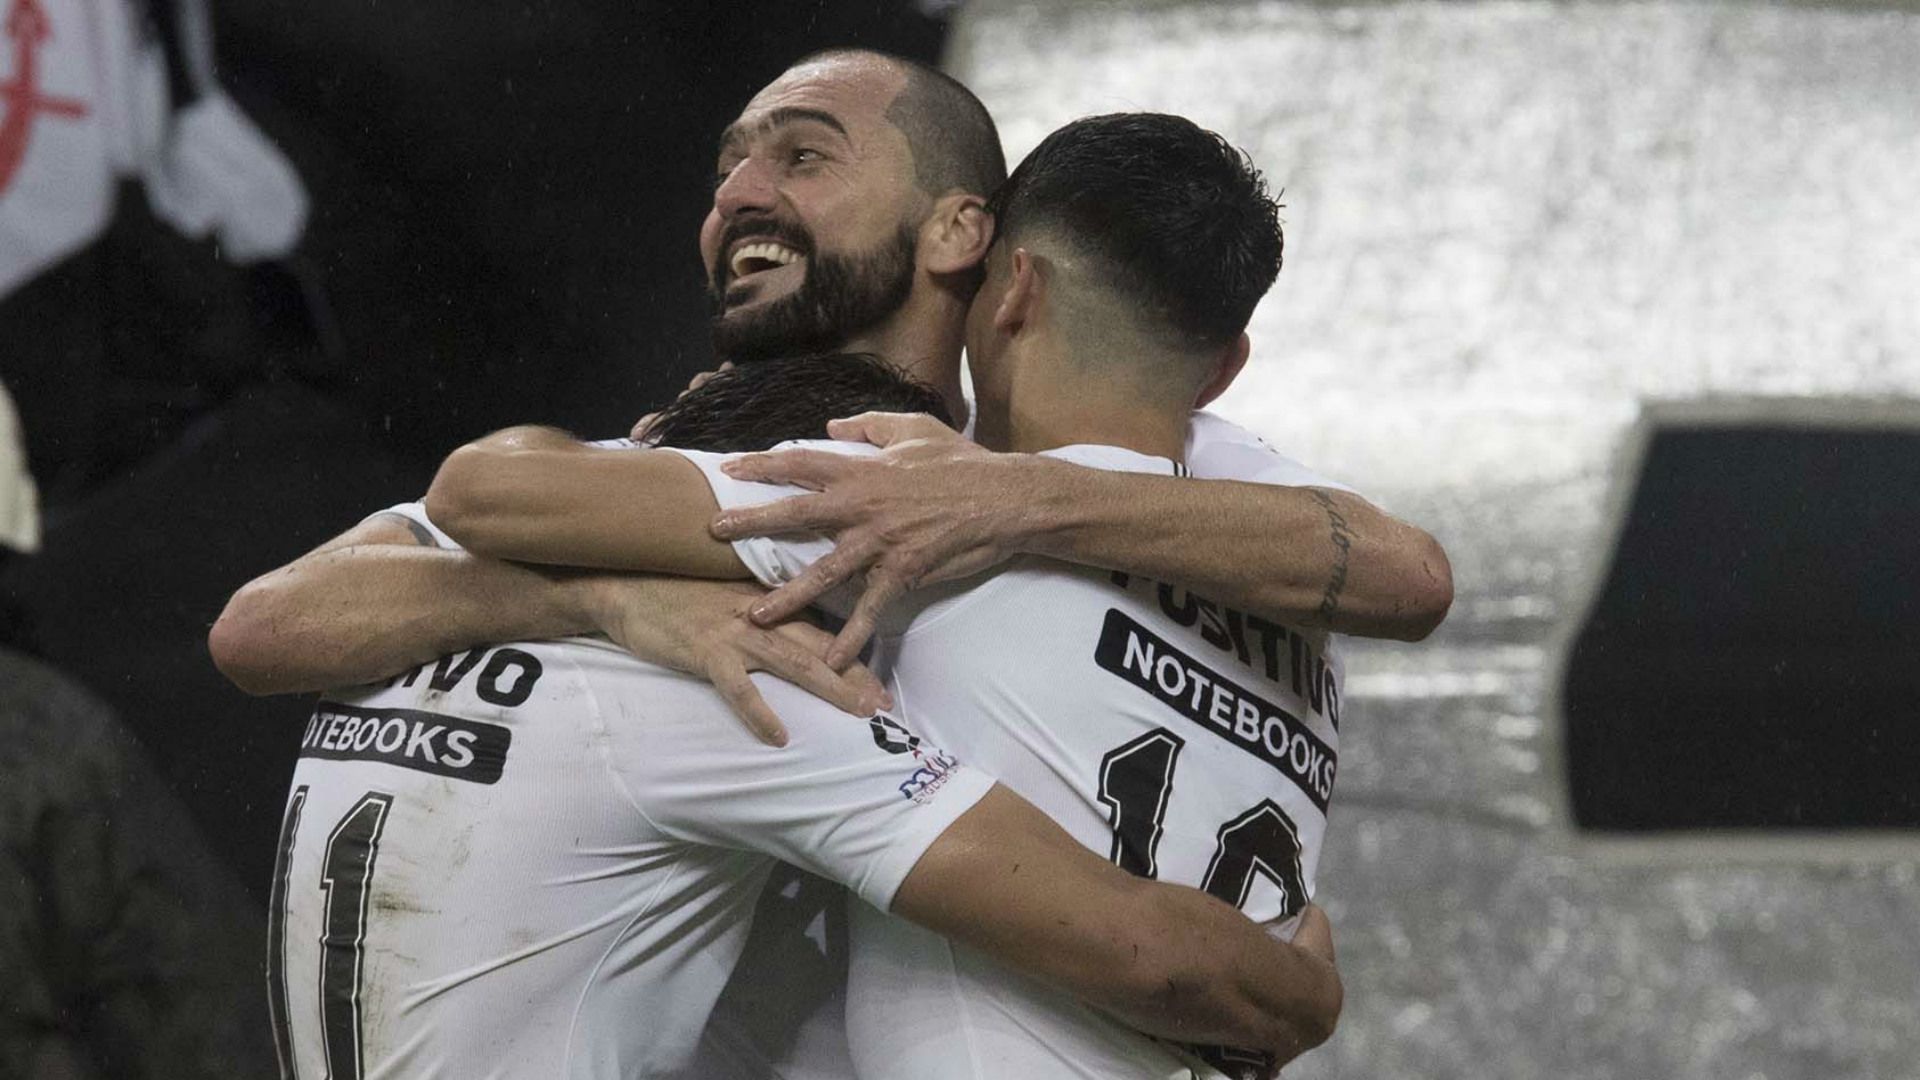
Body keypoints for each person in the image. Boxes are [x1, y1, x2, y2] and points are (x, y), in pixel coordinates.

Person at [427, 111, 1351, 1080]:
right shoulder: (1300, 613)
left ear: (1014, 291)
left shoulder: (925, 510)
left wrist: (614, 596)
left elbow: (487, 498)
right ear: (1227, 368)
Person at [264, 352, 1340, 1077]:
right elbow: (1144, 953)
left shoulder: (424, 603)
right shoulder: (746, 690)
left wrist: (576, 594)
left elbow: (247, 632)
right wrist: (1303, 992)